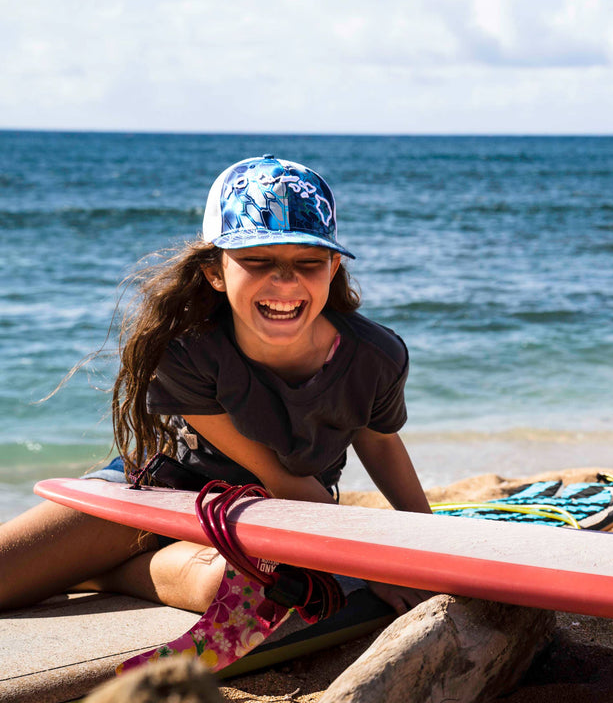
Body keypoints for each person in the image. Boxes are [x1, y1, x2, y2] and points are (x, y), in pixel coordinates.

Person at [0, 155, 432, 616]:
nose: (284, 281)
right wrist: (371, 564)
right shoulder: (186, 348)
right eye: (256, 260)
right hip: (160, 496)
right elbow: (280, 474)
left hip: (267, 515)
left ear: (332, 269)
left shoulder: (375, 357)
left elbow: (381, 445)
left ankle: (101, 570)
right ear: (214, 272)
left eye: (308, 261)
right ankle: (95, 559)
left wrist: (430, 550)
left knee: (234, 590)